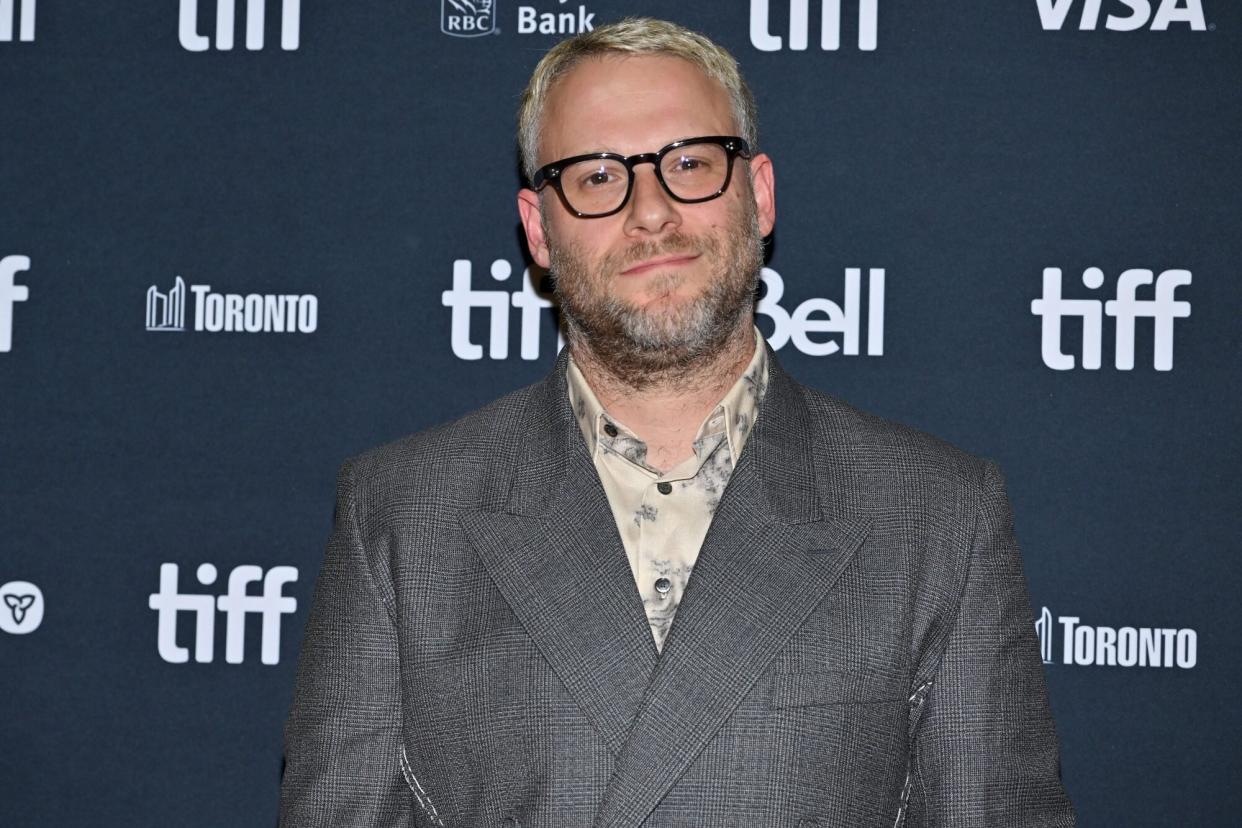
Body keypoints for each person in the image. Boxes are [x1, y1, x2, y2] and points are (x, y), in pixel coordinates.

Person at [279, 18, 1075, 827]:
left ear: (758, 194)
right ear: (537, 229)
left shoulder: (939, 515)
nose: (651, 212)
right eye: (596, 176)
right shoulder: (403, 516)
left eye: (690, 163)